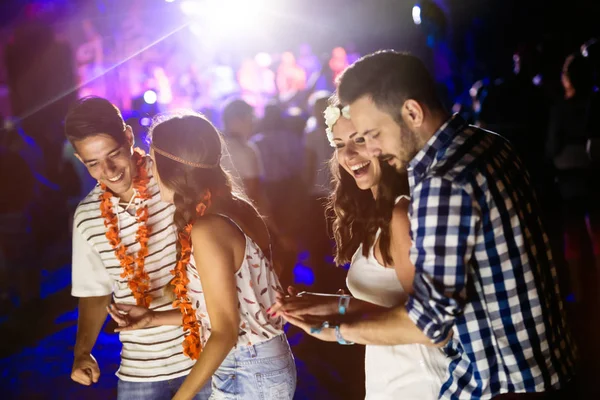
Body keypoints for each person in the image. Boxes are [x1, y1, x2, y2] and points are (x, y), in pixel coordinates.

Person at [330, 50, 576, 399]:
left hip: (503, 381)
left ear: (412, 112)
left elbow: (431, 321)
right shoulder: (490, 143)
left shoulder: (441, 180)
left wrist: (338, 330)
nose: (371, 148)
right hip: (546, 365)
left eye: (373, 134)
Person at [107, 112, 296, 399]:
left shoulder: (209, 228)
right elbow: (227, 310)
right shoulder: (235, 207)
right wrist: (152, 319)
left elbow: (225, 332)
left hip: (245, 366)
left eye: (155, 164)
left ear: (173, 171)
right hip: (258, 362)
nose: (151, 174)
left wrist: (179, 397)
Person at [272, 102, 449, 398]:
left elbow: (426, 326)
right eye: (340, 144)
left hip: (418, 379)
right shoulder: (379, 213)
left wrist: (338, 328)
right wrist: (328, 304)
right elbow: (387, 303)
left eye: (359, 140)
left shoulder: (401, 214)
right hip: (389, 374)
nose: (348, 155)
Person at [65, 97, 206, 399]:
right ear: (79, 160)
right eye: (93, 163)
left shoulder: (172, 183)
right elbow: (94, 291)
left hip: (203, 357)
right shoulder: (87, 217)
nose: (109, 170)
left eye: (113, 154)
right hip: (139, 371)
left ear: (128, 137)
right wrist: (82, 353)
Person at [546, 53, 600, 301]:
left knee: (574, 237)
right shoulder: (594, 103)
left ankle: (579, 293)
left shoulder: (561, 109)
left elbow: (552, 148)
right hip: (591, 175)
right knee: (595, 234)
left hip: (568, 181)